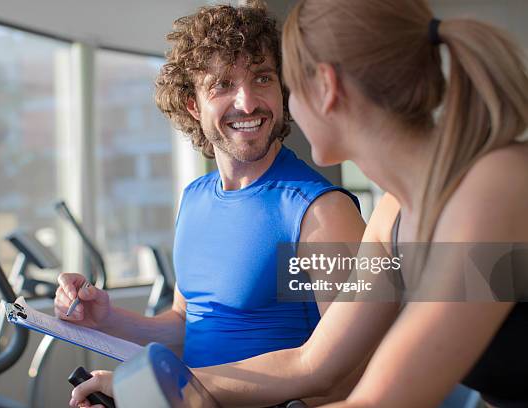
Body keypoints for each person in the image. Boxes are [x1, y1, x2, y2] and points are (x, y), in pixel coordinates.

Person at [189, 1, 528, 407]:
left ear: (327, 87)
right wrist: (167, 386)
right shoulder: (392, 216)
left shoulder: (497, 185)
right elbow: (311, 364)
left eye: (288, 87)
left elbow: (378, 401)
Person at [62, 2, 364, 406]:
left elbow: (349, 372)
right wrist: (107, 320)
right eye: (222, 85)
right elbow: (187, 327)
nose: (247, 102)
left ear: (282, 88)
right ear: (193, 104)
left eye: (262, 78)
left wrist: (165, 388)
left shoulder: (321, 211)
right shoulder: (195, 199)